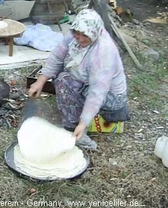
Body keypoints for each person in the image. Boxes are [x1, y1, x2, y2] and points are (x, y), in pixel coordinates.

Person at [28, 9, 130, 149]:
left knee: (65, 81)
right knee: (62, 77)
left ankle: (77, 131)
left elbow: (97, 93)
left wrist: (83, 123)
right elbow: (57, 56)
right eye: (77, 34)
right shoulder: (75, 34)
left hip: (111, 97)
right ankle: (73, 121)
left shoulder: (103, 54)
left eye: (85, 36)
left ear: (94, 33)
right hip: (87, 81)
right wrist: (40, 81)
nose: (80, 39)